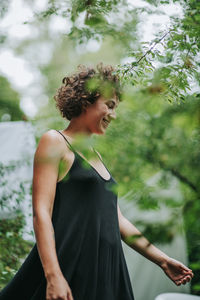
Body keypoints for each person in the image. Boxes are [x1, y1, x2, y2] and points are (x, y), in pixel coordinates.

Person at [0, 64, 193, 300]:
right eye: (109, 106)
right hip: (71, 264)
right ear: (85, 100)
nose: (113, 115)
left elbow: (117, 218)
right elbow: (41, 212)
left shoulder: (97, 156)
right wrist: (54, 276)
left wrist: (161, 259)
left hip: (107, 270)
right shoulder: (55, 141)